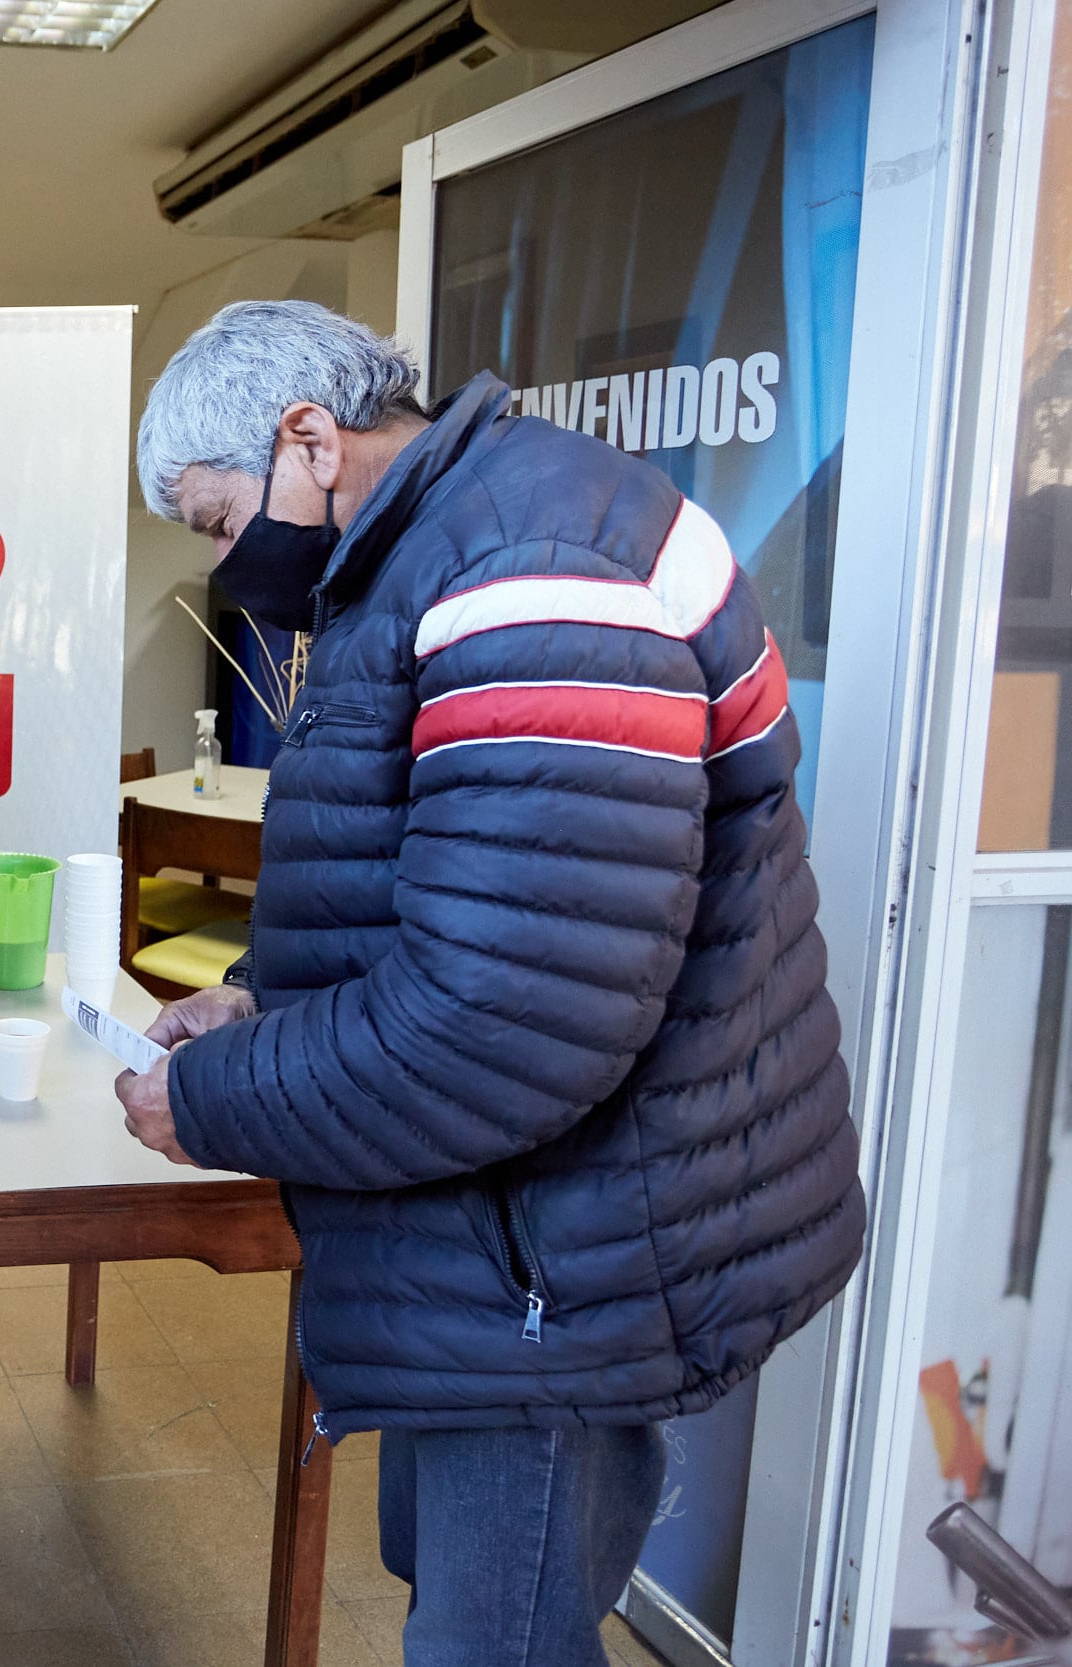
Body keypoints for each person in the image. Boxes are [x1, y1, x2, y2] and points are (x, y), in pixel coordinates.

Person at [115, 300, 866, 1667]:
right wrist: (264, 1004)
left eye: (222, 520)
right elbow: (448, 891)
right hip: (519, 1231)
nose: (230, 562)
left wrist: (211, 1099)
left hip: (561, 1257)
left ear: (309, 439)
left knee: (497, 1634)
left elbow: (501, 1019)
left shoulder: (532, 569)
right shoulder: (442, 544)